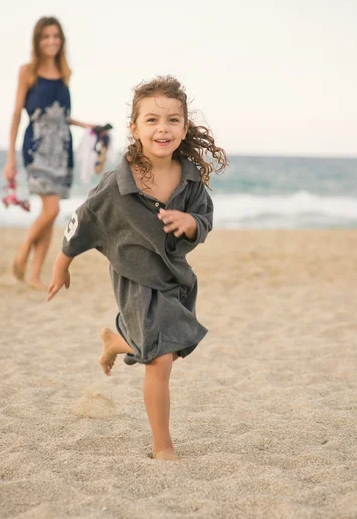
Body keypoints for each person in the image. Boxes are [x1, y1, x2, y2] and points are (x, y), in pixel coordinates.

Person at [47, 76, 228, 461]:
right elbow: (83, 219)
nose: (162, 128)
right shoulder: (118, 183)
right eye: (151, 120)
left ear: (184, 128)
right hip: (134, 277)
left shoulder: (191, 179)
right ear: (134, 128)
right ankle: (163, 445)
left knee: (170, 348)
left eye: (172, 120)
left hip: (174, 276)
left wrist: (191, 224)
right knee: (161, 359)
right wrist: (62, 263)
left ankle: (117, 341)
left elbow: (205, 219)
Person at [3, 16, 96, 290]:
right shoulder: (27, 71)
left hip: (62, 147)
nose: (51, 41)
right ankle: (24, 248)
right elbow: (17, 115)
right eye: (46, 36)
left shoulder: (65, 72)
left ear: (61, 41)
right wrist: (10, 157)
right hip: (38, 145)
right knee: (52, 208)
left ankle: (33, 277)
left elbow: (60, 115)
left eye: (56, 36)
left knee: (51, 212)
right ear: (38, 41)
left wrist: (84, 125)